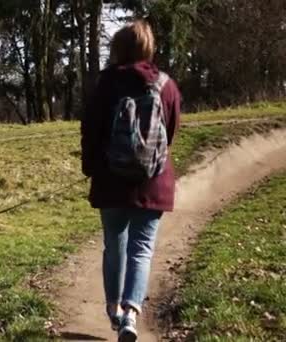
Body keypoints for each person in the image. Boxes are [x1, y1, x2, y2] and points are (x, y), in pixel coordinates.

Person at [80, 20, 181, 342]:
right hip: (153, 181)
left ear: (118, 49)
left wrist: (91, 167)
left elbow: (91, 130)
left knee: (115, 246)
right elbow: (171, 132)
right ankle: (132, 314)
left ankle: (114, 310)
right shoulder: (166, 85)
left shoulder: (106, 83)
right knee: (141, 249)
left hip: (111, 180)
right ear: (149, 48)